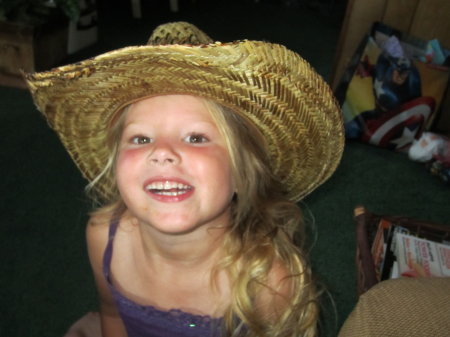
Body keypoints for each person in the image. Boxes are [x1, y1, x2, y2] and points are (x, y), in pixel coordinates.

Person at [26, 22, 344, 337]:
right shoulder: (103, 237)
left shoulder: (269, 280)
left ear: (242, 173)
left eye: (195, 137)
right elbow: (111, 314)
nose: (162, 152)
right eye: (140, 139)